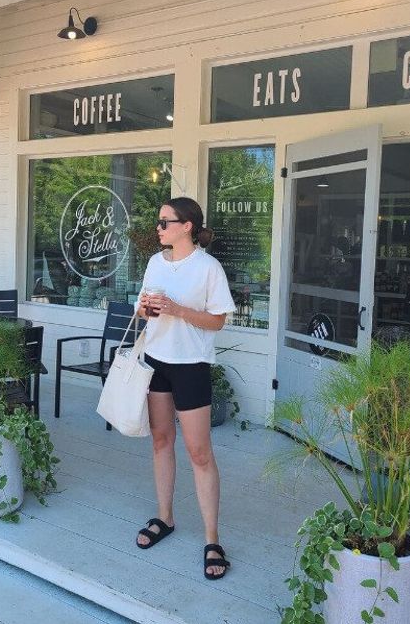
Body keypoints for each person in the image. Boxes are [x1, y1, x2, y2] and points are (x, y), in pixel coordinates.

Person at [132, 197, 236, 581]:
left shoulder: (208, 268)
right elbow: (142, 310)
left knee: (199, 453)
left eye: (164, 222)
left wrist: (176, 309)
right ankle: (165, 517)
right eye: (158, 222)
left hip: (191, 365)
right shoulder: (155, 263)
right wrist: (148, 309)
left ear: (187, 225)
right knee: (161, 441)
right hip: (156, 361)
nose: (158, 228)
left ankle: (212, 539)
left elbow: (217, 322)